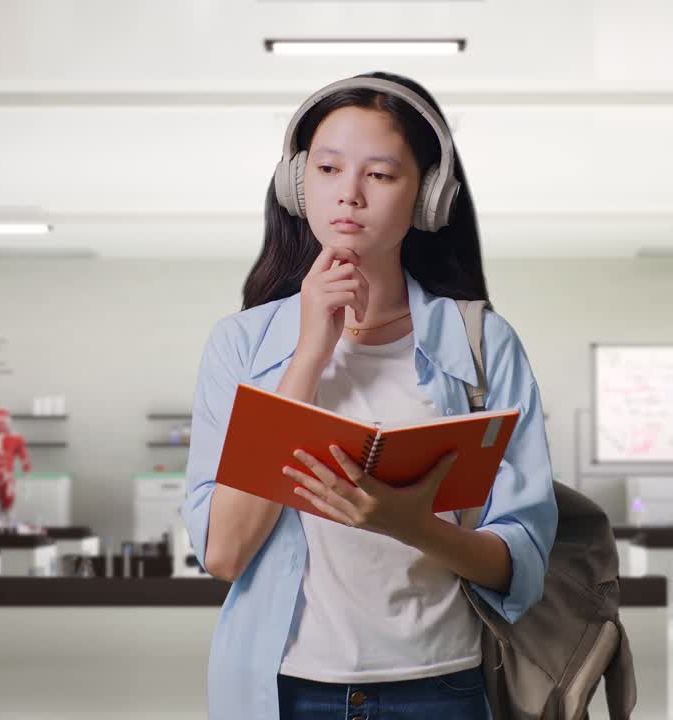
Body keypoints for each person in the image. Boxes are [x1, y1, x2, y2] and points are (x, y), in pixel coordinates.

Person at [183, 72, 557, 719]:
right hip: (285, 687)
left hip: (442, 685)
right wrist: (309, 355)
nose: (348, 195)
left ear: (429, 196)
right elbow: (223, 552)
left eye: (380, 175)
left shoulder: (483, 345)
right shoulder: (240, 345)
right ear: (299, 183)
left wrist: (411, 526)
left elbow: (518, 563)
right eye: (327, 168)